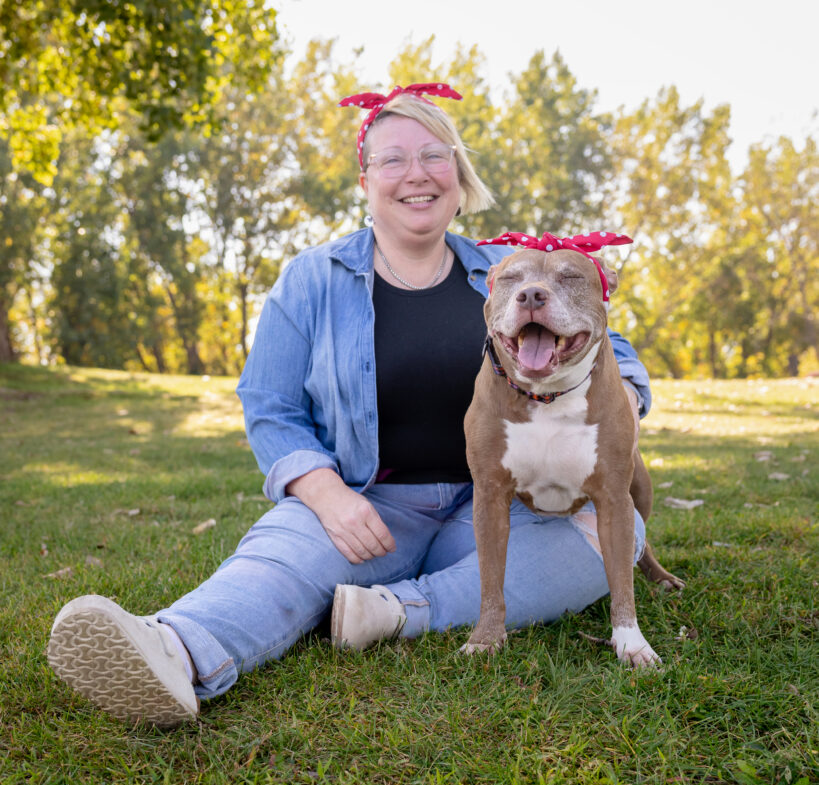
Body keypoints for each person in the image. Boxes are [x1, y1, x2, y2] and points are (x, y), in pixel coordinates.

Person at [47, 82, 652, 728]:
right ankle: (174, 649)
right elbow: (269, 402)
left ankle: (392, 610)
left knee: (611, 533)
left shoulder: (509, 271)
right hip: (367, 500)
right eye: (392, 159)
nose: (415, 174)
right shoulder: (311, 279)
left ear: (458, 175)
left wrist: (619, 408)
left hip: (498, 502)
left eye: (433, 156)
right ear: (364, 178)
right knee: (279, 560)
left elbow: (609, 344)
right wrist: (322, 491)